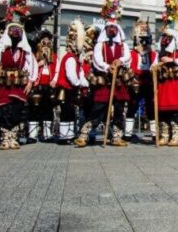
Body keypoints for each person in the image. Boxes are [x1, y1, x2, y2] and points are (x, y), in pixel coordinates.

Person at [74, 19, 131, 147]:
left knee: (119, 109)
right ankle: (84, 135)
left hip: (118, 82)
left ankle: (116, 136)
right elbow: (97, 60)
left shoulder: (123, 45)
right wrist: (107, 67)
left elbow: (127, 57)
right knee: (98, 108)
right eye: (109, 28)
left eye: (114, 28)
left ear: (118, 30)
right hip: (104, 81)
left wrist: (120, 61)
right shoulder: (100, 45)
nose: (112, 30)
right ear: (105, 30)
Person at [0, 23, 38, 150]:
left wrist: (31, 81)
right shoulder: (2, 48)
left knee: (17, 110)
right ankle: (5, 136)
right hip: (5, 84)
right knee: (4, 110)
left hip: (18, 85)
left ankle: (13, 136)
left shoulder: (25, 50)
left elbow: (32, 65)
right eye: (12, 31)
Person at [53, 20, 89, 144]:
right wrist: (80, 84)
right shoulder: (70, 59)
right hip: (66, 89)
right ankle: (64, 137)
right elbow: (72, 76)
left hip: (70, 89)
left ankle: (69, 135)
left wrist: (86, 83)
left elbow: (80, 74)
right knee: (66, 112)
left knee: (70, 112)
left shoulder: (75, 59)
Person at [154, 27, 178, 146]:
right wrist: (155, 67)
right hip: (164, 84)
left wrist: (172, 59)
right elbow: (154, 65)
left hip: (176, 84)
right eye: (164, 37)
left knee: (175, 111)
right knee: (163, 110)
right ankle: (164, 135)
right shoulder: (160, 52)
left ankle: (175, 136)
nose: (165, 40)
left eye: (167, 37)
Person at [28, 30, 57, 142]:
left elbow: (57, 70)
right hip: (37, 85)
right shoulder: (34, 55)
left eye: (48, 40)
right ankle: (32, 134)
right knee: (34, 109)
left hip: (48, 86)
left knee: (48, 110)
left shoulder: (54, 56)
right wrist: (39, 62)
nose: (46, 42)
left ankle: (47, 134)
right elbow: (30, 68)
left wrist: (54, 80)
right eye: (43, 40)